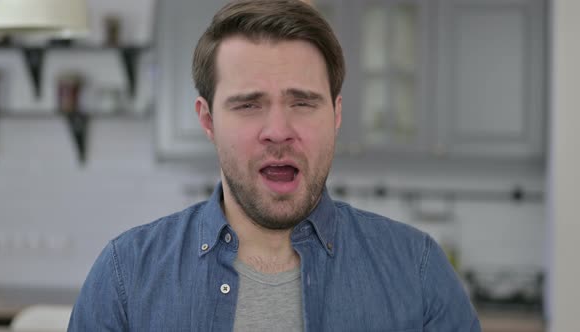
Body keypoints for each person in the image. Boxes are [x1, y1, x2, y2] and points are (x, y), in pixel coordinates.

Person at [68, 0, 481, 330]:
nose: (279, 131)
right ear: (208, 120)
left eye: (302, 103)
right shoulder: (126, 275)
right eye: (248, 105)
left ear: (336, 115)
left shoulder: (419, 270)